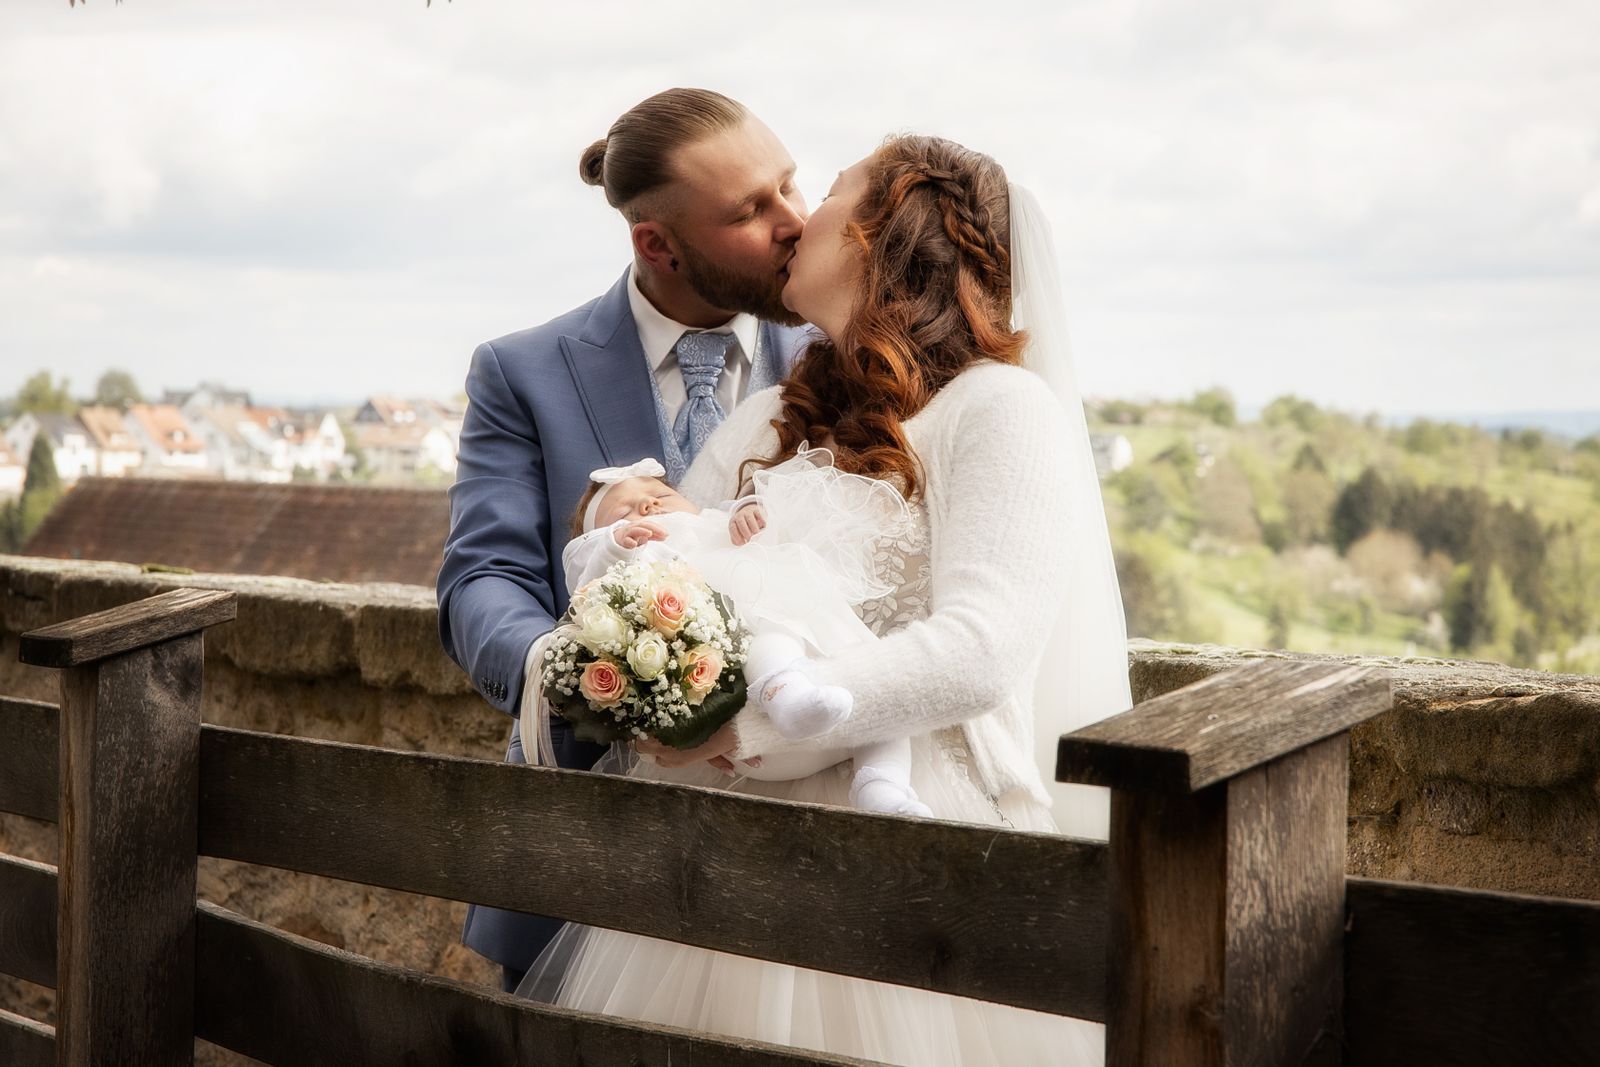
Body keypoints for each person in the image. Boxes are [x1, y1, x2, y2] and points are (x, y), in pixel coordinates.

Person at [516, 134, 1133, 1066]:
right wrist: (655, 677)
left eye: (831, 189)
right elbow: (680, 575)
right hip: (720, 854)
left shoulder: (998, 410)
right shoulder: (770, 417)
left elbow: (983, 644)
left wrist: (751, 729)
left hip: (903, 859)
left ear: (887, 235)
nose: (800, 217)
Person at [436, 88, 813, 993]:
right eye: (751, 210)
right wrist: (584, 679)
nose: (795, 221)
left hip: (800, 866)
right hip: (576, 861)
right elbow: (482, 580)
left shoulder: (837, 357)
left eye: (789, 186)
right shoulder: (520, 371)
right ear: (658, 244)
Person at [529, 451, 932, 817]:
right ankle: (783, 693)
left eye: (658, 494)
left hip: (838, 706)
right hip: (748, 729)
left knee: (884, 709)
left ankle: (883, 790)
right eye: (624, 512)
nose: (649, 505)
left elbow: (757, 517)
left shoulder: (711, 524)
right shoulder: (645, 559)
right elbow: (591, 597)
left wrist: (747, 511)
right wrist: (614, 550)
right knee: (770, 630)